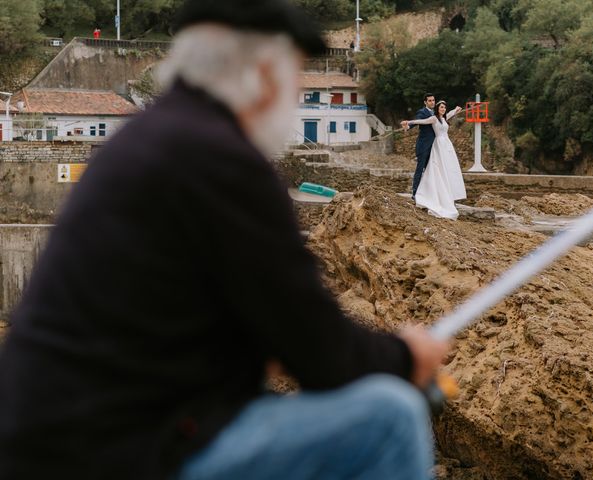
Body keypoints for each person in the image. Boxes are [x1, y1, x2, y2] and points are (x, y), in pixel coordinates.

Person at [0, 1, 449, 480]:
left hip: (51, 437)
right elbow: (317, 348)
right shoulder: (221, 160)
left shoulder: (148, 141)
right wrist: (405, 356)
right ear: (262, 75)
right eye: (293, 75)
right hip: (118, 450)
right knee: (389, 416)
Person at [403, 100, 467, 219]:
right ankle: (429, 193)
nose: (443, 109)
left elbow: (451, 114)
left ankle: (448, 193)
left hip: (447, 145)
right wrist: (409, 122)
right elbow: (421, 121)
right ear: (438, 108)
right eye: (441, 107)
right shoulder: (434, 118)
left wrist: (456, 109)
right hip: (438, 145)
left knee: (448, 168)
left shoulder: (444, 118)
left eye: (444, 107)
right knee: (438, 168)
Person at [402, 93, 436, 200]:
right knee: (420, 169)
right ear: (425, 102)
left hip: (434, 147)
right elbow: (417, 121)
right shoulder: (422, 112)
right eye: (430, 100)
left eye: (433, 100)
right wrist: (408, 126)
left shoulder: (436, 112)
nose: (432, 102)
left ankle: (428, 193)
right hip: (423, 146)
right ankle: (415, 193)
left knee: (431, 169)